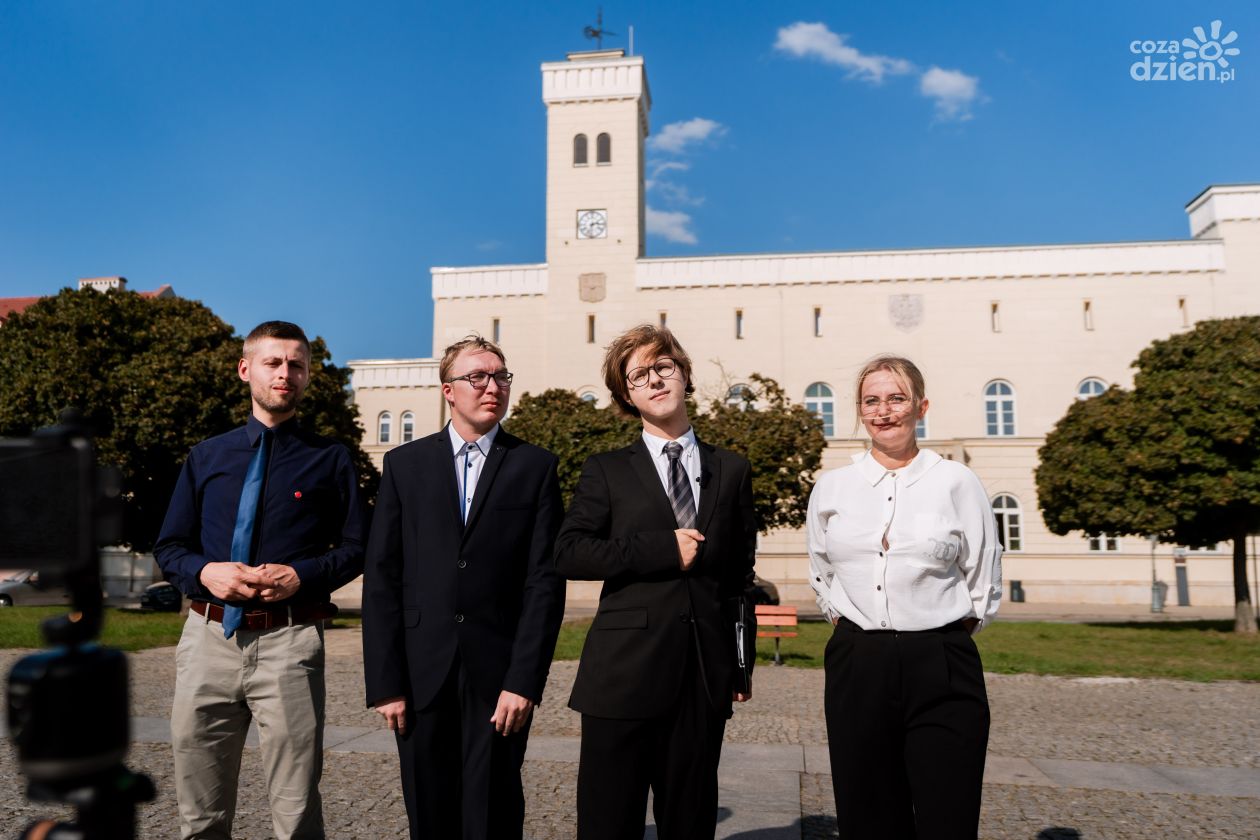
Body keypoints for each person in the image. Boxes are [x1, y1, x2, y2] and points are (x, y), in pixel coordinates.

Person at [154, 320, 368, 840]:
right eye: (274, 362)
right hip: (207, 641)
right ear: (245, 369)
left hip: (289, 643)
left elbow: (361, 548)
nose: (285, 374)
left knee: (295, 812)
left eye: (297, 365)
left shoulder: (331, 458)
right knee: (199, 812)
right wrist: (206, 571)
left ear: (309, 376)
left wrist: (303, 575)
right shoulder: (207, 456)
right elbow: (169, 547)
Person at [555, 325, 758, 840]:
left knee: (689, 823)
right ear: (627, 395)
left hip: (702, 678)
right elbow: (568, 551)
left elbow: (739, 578)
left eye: (663, 366)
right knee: (608, 822)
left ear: (684, 373)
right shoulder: (606, 470)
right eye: (639, 375)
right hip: (622, 677)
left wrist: (739, 665)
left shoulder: (731, 470)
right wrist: (661, 548)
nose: (654, 380)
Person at [362, 335, 566, 840]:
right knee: (429, 814)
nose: (491, 386)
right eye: (477, 377)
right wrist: (386, 684)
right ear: (448, 390)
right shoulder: (404, 466)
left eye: (499, 376)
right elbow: (383, 578)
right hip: (419, 671)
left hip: (498, 677)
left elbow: (544, 583)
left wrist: (525, 681)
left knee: (493, 813)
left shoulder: (535, 466)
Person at [807, 355, 1002, 840]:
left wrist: (946, 634)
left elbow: (983, 573)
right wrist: (848, 623)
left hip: (940, 660)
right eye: (872, 401)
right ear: (859, 410)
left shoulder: (956, 482)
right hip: (859, 660)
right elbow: (821, 569)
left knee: (947, 811)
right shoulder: (833, 487)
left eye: (896, 399)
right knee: (868, 811)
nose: (884, 411)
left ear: (920, 407)